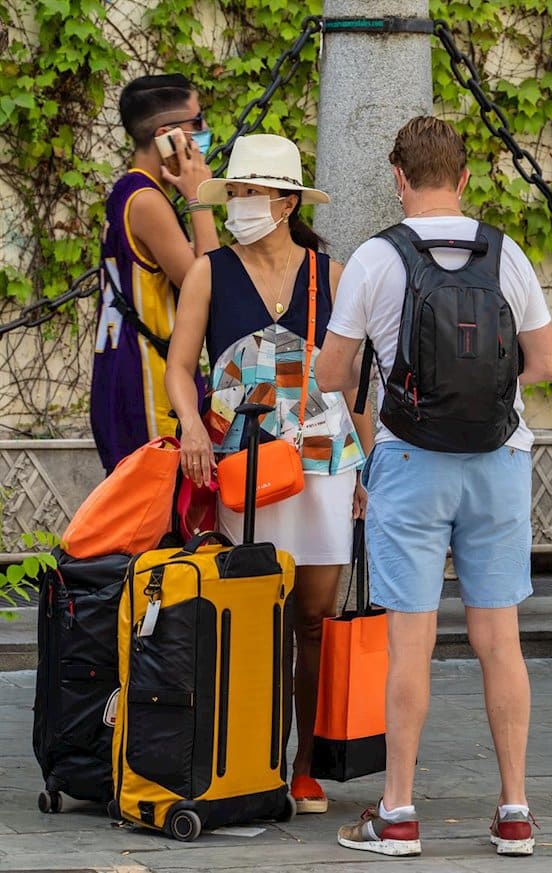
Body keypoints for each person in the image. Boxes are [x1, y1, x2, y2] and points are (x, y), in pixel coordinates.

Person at [315, 116, 552, 858]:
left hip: (410, 461)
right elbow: (546, 362)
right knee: (500, 641)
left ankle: (397, 812)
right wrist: (481, 388)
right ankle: (515, 808)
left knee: (410, 646)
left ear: (398, 177)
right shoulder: (505, 252)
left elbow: (331, 375)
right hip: (498, 460)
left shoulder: (374, 259)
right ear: (463, 176)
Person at [165, 133, 372, 816]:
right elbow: (178, 364)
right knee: (249, 612)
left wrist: (370, 471)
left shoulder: (331, 275)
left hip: (323, 466)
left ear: (286, 202)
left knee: (311, 618)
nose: (241, 205)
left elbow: (356, 390)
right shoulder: (209, 271)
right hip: (244, 462)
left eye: (253, 193)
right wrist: (192, 423)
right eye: (236, 193)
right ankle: (246, 758)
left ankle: (304, 762)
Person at [92, 74, 217, 474]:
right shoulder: (146, 200)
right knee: (156, 526)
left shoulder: (129, 191)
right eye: (197, 123)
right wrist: (199, 198)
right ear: (167, 135)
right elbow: (209, 281)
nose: (204, 132)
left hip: (121, 372)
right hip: (149, 382)